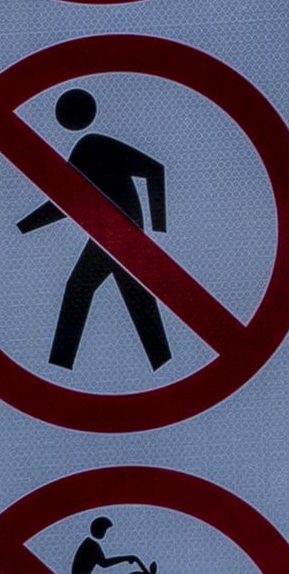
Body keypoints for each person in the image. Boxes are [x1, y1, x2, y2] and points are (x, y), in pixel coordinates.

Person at [21, 86, 176, 369]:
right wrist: (24, 227)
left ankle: (59, 366)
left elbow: (154, 169)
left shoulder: (92, 147)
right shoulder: (86, 149)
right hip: (114, 235)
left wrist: (159, 227)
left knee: (79, 289)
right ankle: (164, 363)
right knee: (135, 296)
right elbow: (66, 202)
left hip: (120, 235)